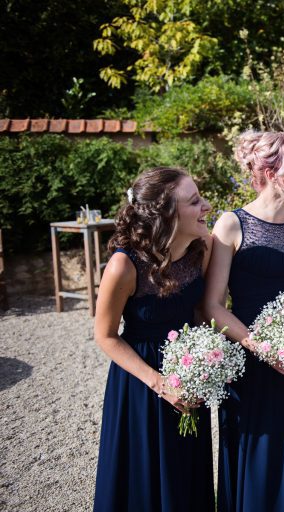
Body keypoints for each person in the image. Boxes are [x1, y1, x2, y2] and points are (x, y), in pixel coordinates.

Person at [204, 131, 284, 512]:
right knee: (256, 457)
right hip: (249, 362)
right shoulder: (231, 224)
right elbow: (212, 305)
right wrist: (261, 346)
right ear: (272, 172)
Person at [93, 167, 214, 512]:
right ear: (166, 215)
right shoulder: (123, 266)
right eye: (194, 201)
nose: (206, 206)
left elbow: (201, 312)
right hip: (142, 383)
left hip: (190, 371)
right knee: (143, 479)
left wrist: (211, 359)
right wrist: (160, 383)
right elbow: (105, 336)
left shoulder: (201, 249)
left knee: (185, 473)